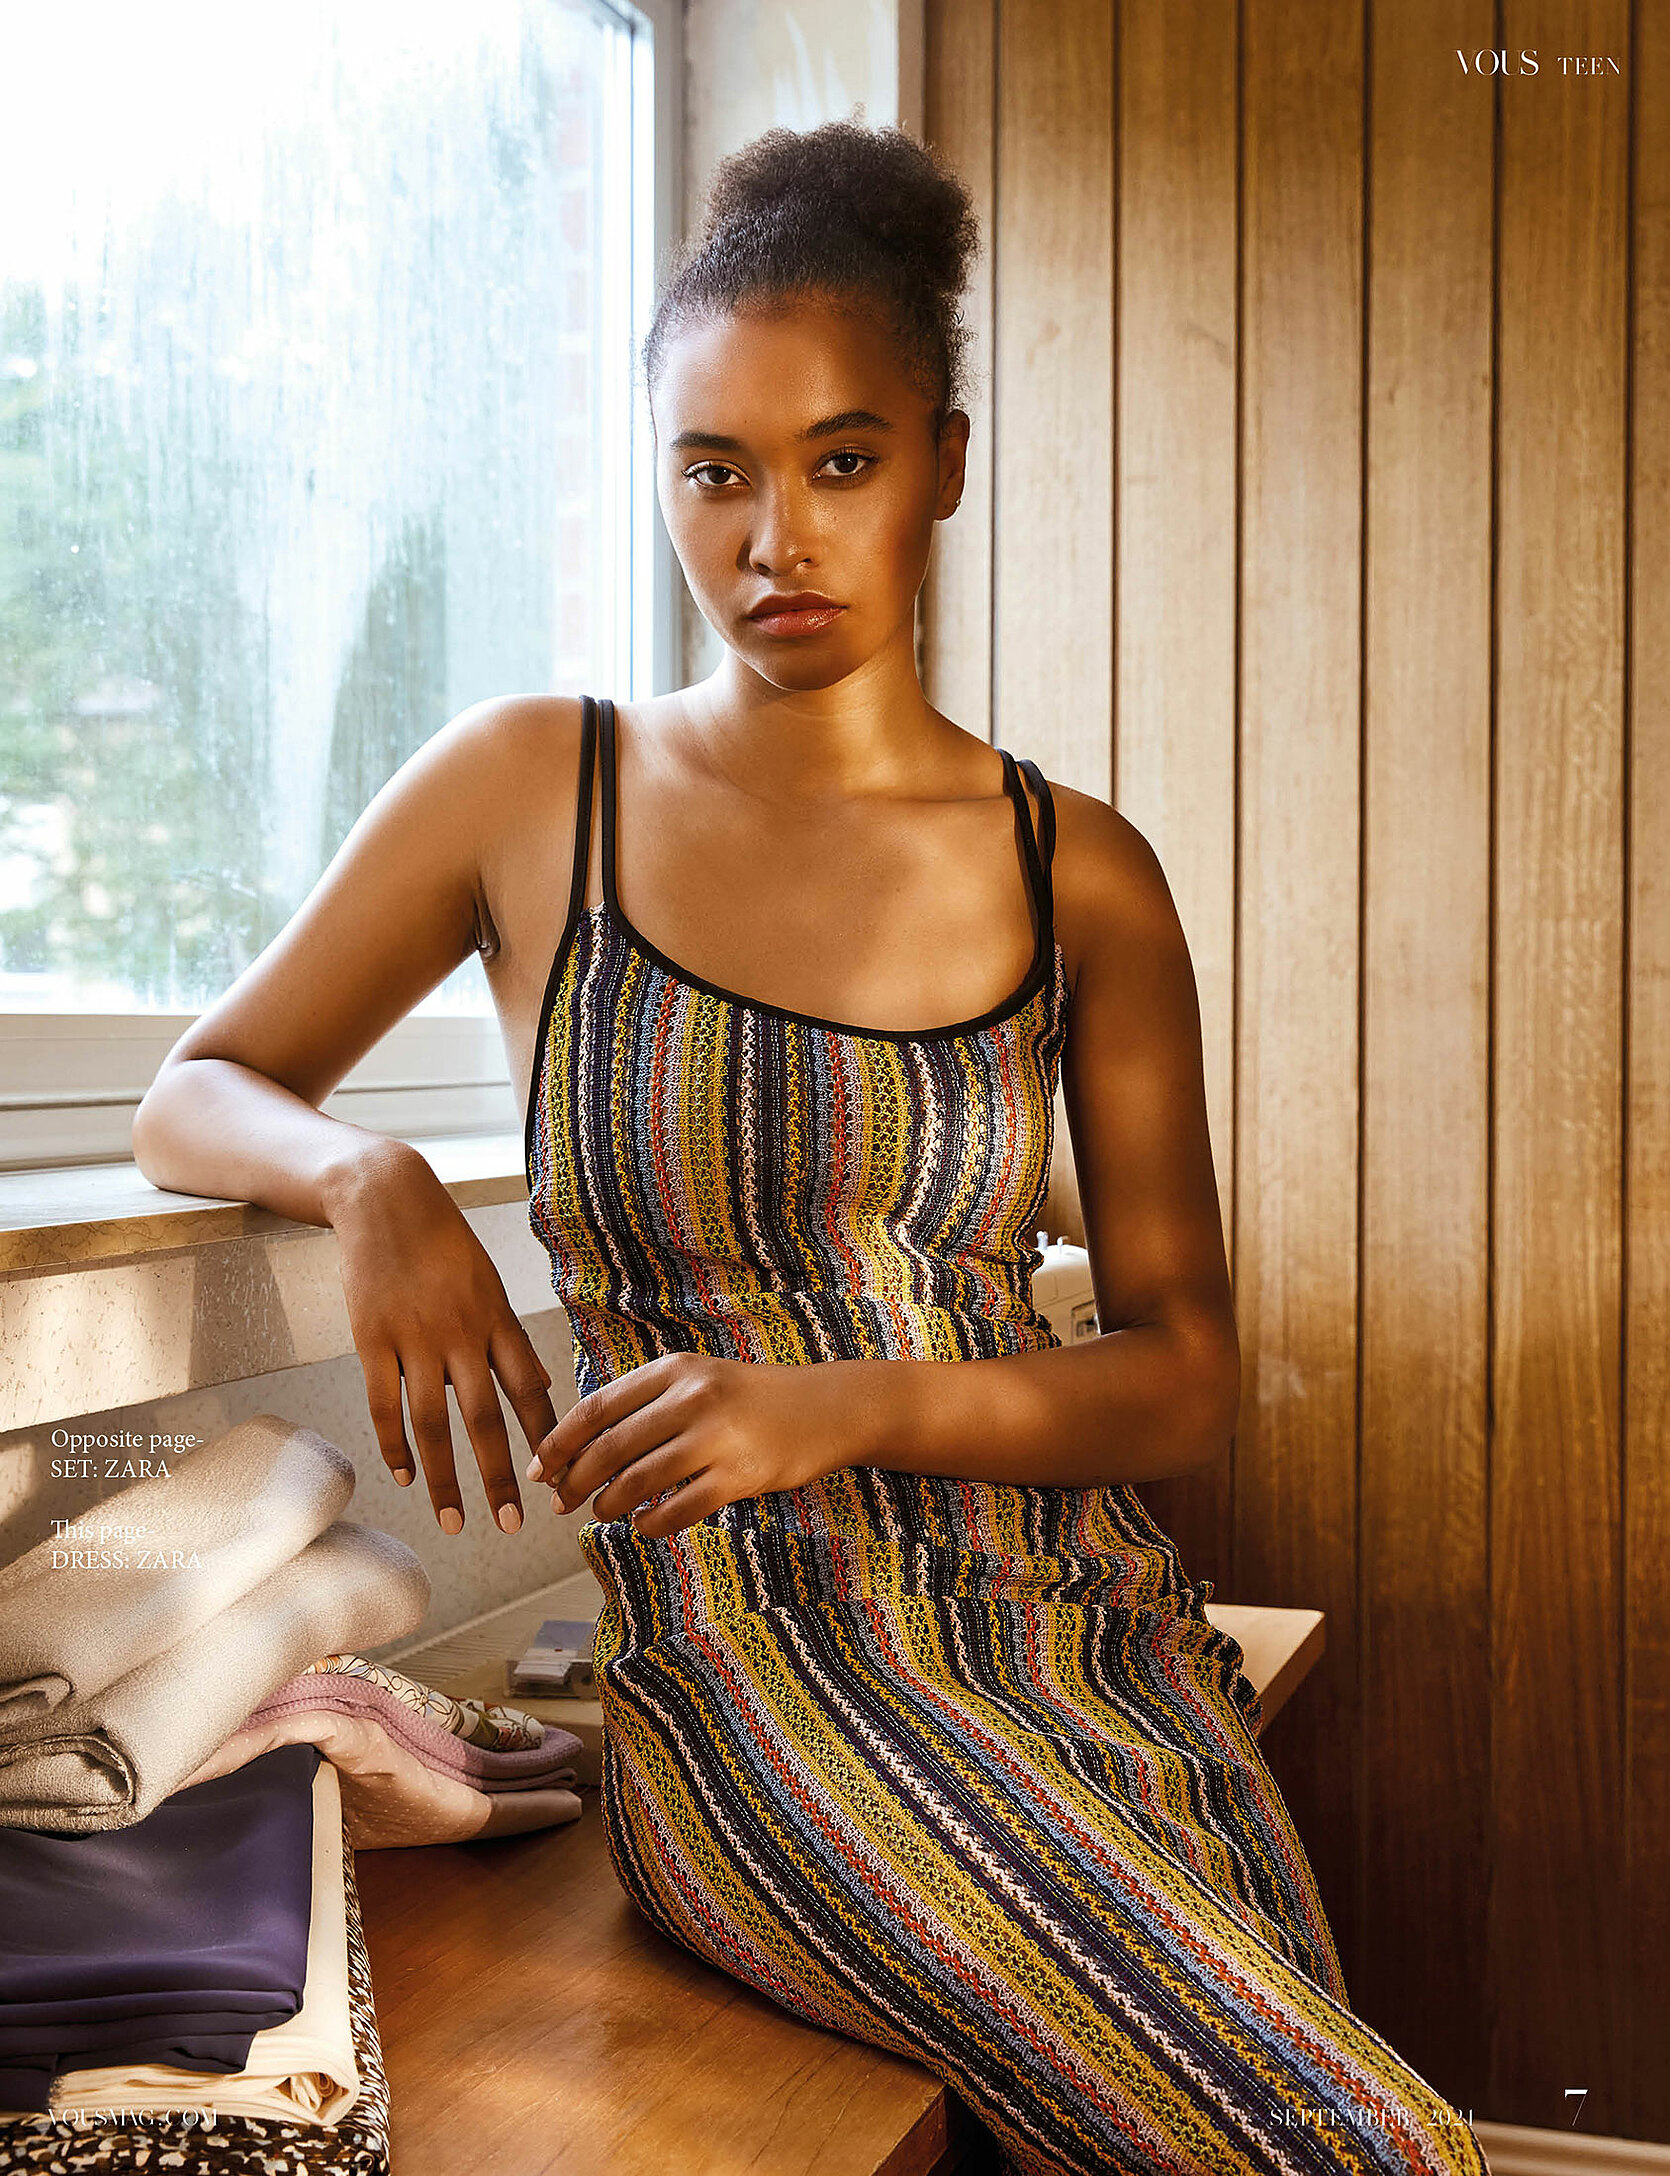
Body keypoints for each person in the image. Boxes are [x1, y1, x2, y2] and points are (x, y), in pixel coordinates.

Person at [133, 116, 1489, 2176]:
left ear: (941, 458)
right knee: (1345, 2142)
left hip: (1083, 1633)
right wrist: (371, 1180)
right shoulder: (534, 783)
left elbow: (1183, 1371)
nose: (775, 533)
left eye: (839, 460)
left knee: (1302, 2108)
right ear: (663, 473)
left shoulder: (1081, 873)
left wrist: (839, 1403)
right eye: (715, 468)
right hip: (755, 1670)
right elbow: (194, 1086)